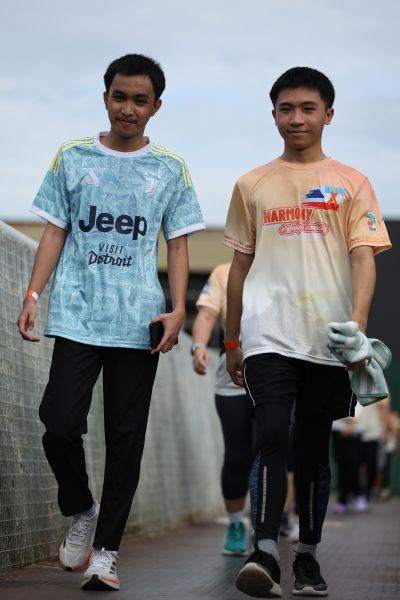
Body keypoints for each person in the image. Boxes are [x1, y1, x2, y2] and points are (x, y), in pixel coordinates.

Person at [16, 53, 204, 591]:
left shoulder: (170, 168)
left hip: (138, 321)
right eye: (119, 97)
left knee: (126, 438)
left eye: (140, 100)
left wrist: (178, 308)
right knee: (58, 423)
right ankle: (82, 507)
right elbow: (54, 230)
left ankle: (106, 553)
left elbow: (178, 242)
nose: (128, 108)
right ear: (105, 98)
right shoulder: (72, 157)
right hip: (78, 314)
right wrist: (33, 294)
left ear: (156, 107)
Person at [223, 67, 391, 597]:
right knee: (272, 433)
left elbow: (363, 259)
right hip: (267, 335)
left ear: (328, 114)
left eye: (307, 108)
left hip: (330, 340)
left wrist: (357, 329)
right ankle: (265, 552)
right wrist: (232, 340)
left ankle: (308, 559)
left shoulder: (352, 183)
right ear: (274, 114)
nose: (296, 118)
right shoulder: (251, 183)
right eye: (286, 109)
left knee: (314, 447)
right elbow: (238, 268)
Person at [192, 262, 255, 556]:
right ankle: (236, 523)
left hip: (280, 366)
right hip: (234, 369)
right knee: (237, 455)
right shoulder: (224, 272)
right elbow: (207, 314)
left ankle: (268, 523)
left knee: (272, 449)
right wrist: (199, 346)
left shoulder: (287, 258)